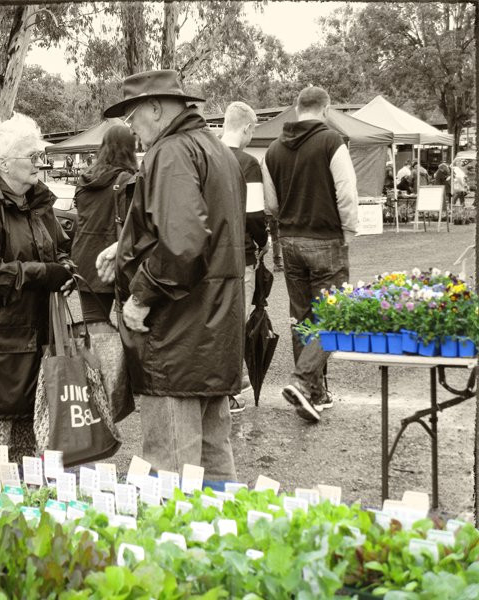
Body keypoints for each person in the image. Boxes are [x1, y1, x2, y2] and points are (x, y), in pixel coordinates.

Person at [97, 69, 245, 482]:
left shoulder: (172, 151)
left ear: (156, 108)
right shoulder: (217, 150)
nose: (133, 129)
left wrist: (140, 296)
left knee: (170, 468)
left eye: (132, 117)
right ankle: (221, 543)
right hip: (213, 333)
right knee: (215, 460)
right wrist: (125, 246)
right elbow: (206, 232)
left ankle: (172, 546)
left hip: (177, 338)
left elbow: (184, 244)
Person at [0, 113, 74, 463]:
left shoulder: (37, 203)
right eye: (31, 156)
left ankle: (29, 514)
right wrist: (41, 274)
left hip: (37, 341)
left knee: (31, 447)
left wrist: (64, 272)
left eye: (40, 154)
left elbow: (61, 249)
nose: (41, 162)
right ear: (4, 163)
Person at [262, 86, 358, 423]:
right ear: (326, 108)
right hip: (325, 239)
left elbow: (270, 205)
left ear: (296, 108)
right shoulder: (332, 141)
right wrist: (349, 230)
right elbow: (346, 191)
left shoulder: (272, 150)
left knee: (301, 317)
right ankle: (304, 383)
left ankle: (315, 392)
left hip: (289, 240)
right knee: (335, 318)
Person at [221, 101, 269, 414]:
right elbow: (253, 215)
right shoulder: (248, 163)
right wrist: (263, 241)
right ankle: (231, 386)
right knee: (235, 322)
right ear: (247, 128)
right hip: (239, 253)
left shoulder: (206, 155)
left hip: (209, 253)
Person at [71, 125, 138, 322]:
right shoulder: (128, 180)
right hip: (114, 259)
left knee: (94, 330)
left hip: (85, 260)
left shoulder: (85, 179)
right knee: (127, 329)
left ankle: (94, 355)